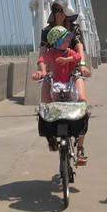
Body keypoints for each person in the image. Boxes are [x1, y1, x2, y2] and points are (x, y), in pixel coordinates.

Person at [32, 19, 89, 163]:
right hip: (56, 84)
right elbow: (41, 59)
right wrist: (41, 72)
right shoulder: (51, 53)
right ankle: (51, 136)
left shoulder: (69, 51)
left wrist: (68, 59)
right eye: (65, 39)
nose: (69, 41)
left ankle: (80, 147)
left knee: (80, 107)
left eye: (69, 39)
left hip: (69, 83)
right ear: (57, 42)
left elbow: (77, 56)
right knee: (47, 107)